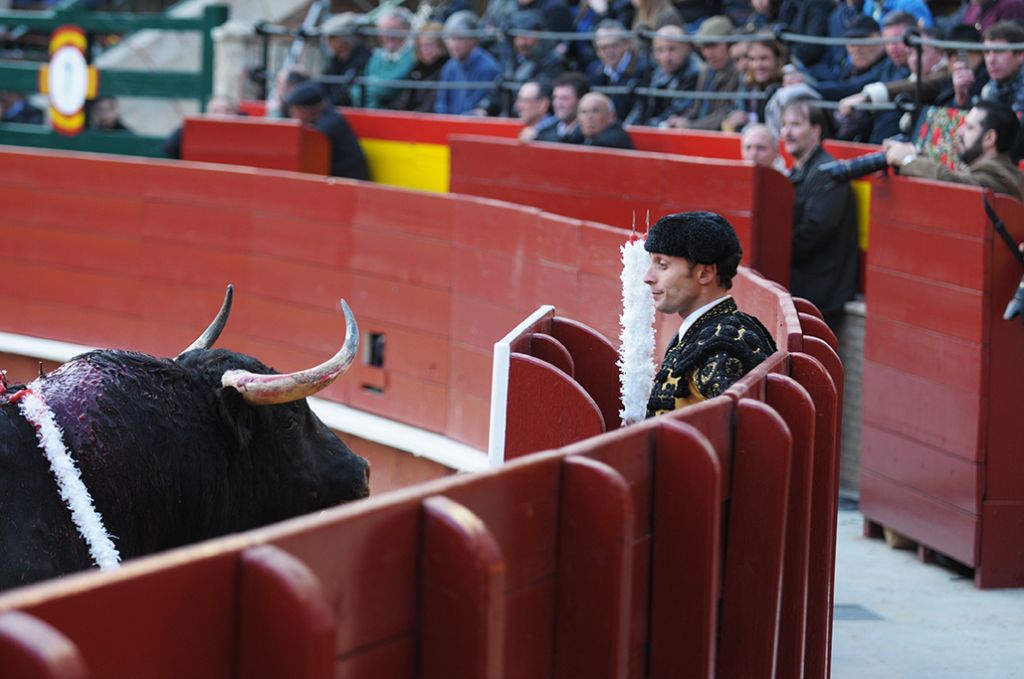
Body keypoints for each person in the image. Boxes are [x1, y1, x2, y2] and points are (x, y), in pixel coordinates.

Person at [643, 211, 778, 417]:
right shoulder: (706, 330)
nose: (648, 277)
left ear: (704, 274)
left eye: (662, 265)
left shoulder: (721, 350)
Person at [781, 99, 859, 330]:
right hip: (807, 283)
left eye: (795, 124)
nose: (787, 132)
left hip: (820, 291)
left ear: (816, 130)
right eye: (784, 125)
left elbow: (814, 232)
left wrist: (776, 252)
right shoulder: (802, 169)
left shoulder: (828, 173)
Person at [884, 100, 1024, 200]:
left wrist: (908, 160)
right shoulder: (994, 170)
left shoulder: (999, 177)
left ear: (989, 138)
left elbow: (953, 181)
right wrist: (915, 154)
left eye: (969, 128)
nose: (959, 132)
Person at [663, 15, 741, 131]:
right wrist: (679, 121)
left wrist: (689, 125)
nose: (708, 54)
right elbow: (697, 109)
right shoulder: (706, 70)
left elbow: (725, 115)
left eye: (713, 46)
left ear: (730, 44)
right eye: (704, 47)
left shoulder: (739, 73)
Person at [285, 81, 370, 180]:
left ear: (306, 110)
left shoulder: (330, 124)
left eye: (294, 110)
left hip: (347, 181)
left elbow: (309, 145)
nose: (292, 115)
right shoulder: (326, 118)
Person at [626, 24, 701, 126]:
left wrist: (646, 127)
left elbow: (676, 112)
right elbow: (643, 108)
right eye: (660, 50)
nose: (666, 57)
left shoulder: (695, 72)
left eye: (672, 49)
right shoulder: (655, 69)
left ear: (686, 47)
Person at [434, 11, 501, 115]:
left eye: (460, 38)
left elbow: (477, 106)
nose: (454, 44)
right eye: (451, 38)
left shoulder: (488, 67)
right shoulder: (449, 67)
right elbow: (441, 103)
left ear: (474, 40)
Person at [585, 20, 650, 125]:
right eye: (603, 47)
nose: (609, 52)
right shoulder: (593, 70)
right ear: (597, 51)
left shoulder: (643, 68)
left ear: (626, 44)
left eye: (614, 46)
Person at [351, 7, 416, 109]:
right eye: (383, 31)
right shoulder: (377, 55)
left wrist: (367, 87)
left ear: (406, 30)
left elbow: (388, 88)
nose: (387, 35)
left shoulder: (413, 55)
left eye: (393, 30)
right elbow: (355, 90)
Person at [391, 22, 449, 112]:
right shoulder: (417, 67)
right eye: (422, 46)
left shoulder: (446, 68)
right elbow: (404, 98)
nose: (426, 50)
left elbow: (431, 103)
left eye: (430, 45)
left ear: (441, 45)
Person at [321, 13, 371, 106]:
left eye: (332, 38)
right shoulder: (336, 60)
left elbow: (349, 92)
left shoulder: (364, 58)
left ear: (344, 39)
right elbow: (323, 84)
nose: (327, 43)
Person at [535, 71, 588, 143]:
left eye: (564, 98)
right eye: (555, 98)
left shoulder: (589, 135)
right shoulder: (543, 133)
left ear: (581, 100)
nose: (558, 104)